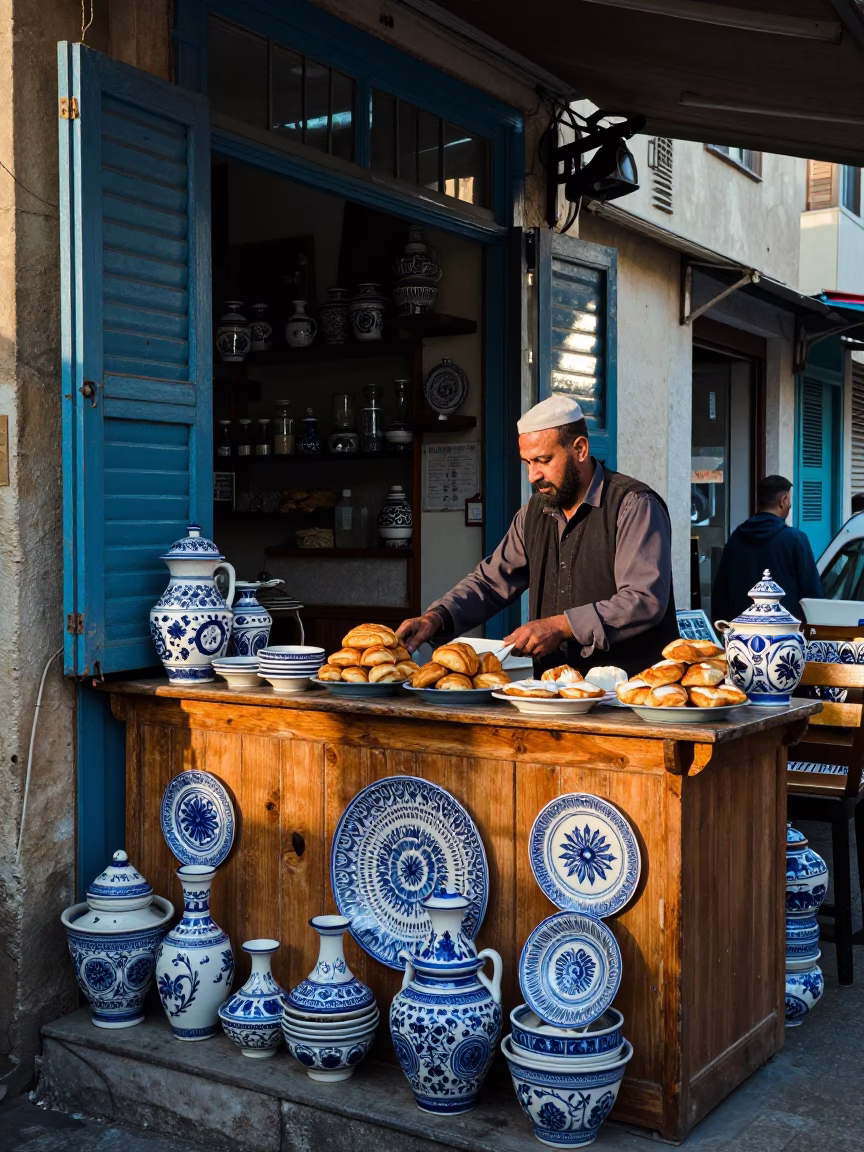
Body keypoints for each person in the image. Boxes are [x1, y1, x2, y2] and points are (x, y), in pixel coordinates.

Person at [397, 395, 678, 677]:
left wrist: (560, 626)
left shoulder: (634, 505)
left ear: (580, 449)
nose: (532, 476)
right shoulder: (533, 513)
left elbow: (643, 600)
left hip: (633, 698)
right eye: (527, 462)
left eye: (543, 460)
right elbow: (490, 582)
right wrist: (438, 617)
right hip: (553, 693)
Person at [710, 475, 823, 624]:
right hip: (784, 638)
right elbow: (812, 597)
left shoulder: (736, 537)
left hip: (741, 636)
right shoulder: (796, 539)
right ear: (783, 501)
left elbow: (720, 592)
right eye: (789, 499)